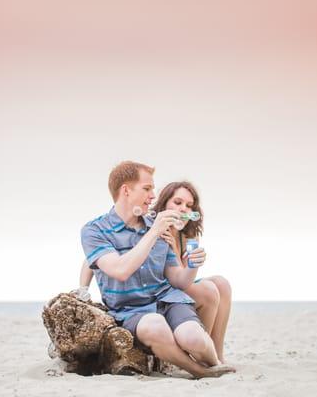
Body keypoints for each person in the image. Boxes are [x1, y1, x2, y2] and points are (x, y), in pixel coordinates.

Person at [80, 161, 235, 378]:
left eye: (152, 189)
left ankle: (216, 362)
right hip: (131, 309)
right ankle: (198, 370)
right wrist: (82, 288)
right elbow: (118, 269)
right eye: (147, 188)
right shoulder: (95, 230)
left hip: (168, 298)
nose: (153, 195)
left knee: (194, 337)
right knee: (155, 326)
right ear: (126, 190)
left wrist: (192, 264)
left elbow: (179, 282)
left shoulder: (158, 224)